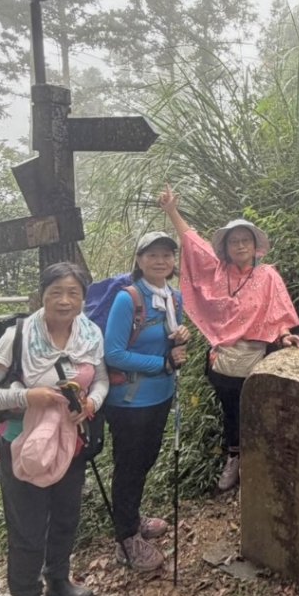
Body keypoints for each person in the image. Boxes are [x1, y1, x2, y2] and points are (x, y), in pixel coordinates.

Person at [0, 262, 108, 596]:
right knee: (27, 528)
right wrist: (27, 396)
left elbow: (103, 377)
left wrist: (92, 401)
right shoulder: (18, 336)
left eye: (73, 292)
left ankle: (58, 583)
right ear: (41, 294)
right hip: (21, 444)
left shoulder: (90, 333)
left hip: (70, 443)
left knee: (65, 517)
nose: (65, 300)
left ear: (83, 297)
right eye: (56, 291)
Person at [158, 185, 299, 491]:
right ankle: (234, 459)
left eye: (245, 240)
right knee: (231, 412)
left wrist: (286, 335)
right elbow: (193, 243)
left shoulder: (268, 276)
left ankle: (261, 464)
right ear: (226, 248)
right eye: (234, 241)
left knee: (259, 412)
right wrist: (173, 211)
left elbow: (277, 315)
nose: (240, 245)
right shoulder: (217, 271)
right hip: (222, 359)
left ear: (255, 246)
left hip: (256, 357)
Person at [103, 230, 189, 573]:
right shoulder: (129, 299)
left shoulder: (174, 298)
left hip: (160, 395)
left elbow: (170, 345)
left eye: (167, 255)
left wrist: (180, 341)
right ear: (139, 260)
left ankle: (133, 518)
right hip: (129, 401)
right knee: (129, 466)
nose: (161, 260)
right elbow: (113, 353)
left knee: (145, 460)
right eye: (152, 255)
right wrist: (162, 364)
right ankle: (125, 539)